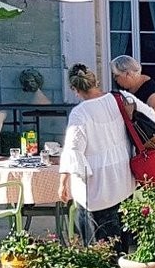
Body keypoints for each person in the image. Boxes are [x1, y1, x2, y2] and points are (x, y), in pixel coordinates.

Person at [58, 63, 136, 247]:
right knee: (121, 233)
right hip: (123, 175)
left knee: (99, 237)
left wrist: (63, 182)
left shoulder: (80, 113)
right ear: (95, 81)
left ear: (75, 89)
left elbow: (73, 150)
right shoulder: (117, 99)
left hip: (97, 184)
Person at [111, 55, 155, 127]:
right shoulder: (128, 87)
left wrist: (135, 112)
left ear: (127, 74)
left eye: (116, 76)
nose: (115, 79)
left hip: (153, 135)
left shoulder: (150, 89)